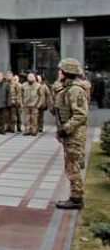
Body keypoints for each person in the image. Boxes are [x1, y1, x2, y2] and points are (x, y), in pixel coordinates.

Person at [53, 58, 89, 210]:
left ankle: (76, 198)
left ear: (67, 72)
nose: (59, 73)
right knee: (71, 165)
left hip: (74, 135)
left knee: (73, 166)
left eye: (61, 71)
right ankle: (75, 196)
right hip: (70, 135)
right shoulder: (67, 89)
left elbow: (80, 115)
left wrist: (64, 129)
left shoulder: (75, 90)